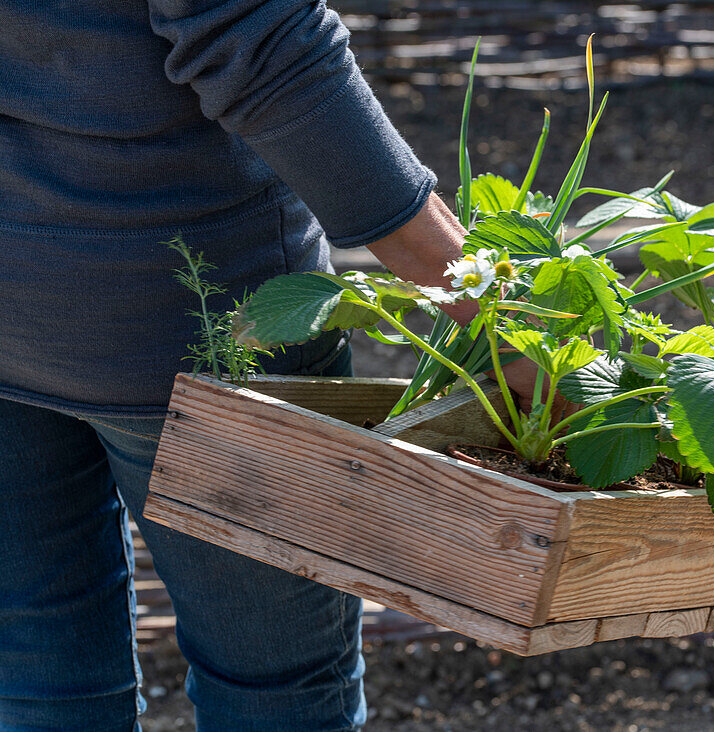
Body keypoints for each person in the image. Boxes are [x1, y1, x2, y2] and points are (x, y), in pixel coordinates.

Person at [0, 1, 483, 728]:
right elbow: (267, 46)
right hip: (207, 332)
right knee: (278, 690)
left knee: (40, 679)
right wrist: (488, 312)